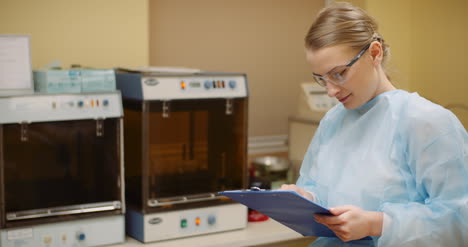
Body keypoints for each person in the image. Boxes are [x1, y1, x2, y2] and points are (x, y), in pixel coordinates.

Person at [280, 2, 468, 246]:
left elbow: (459, 220)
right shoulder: (333, 120)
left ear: (375, 53)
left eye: (339, 74)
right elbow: (320, 190)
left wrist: (377, 223)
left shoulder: (428, 122)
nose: (331, 91)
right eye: (321, 79)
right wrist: (303, 197)